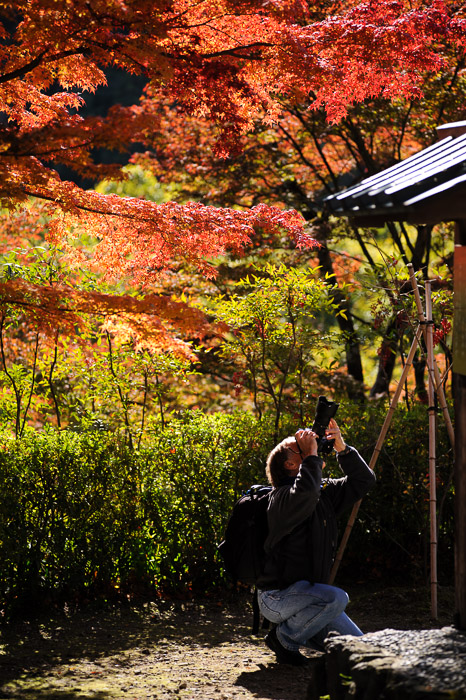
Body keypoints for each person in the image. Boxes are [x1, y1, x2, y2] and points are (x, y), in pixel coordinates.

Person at [256, 419, 376, 665]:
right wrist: (311, 455)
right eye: (300, 447)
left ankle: (303, 633)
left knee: (364, 653)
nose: (311, 445)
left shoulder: (322, 494)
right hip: (278, 599)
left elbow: (364, 481)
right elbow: (305, 494)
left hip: (311, 601)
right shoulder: (280, 500)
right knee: (336, 598)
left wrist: (342, 449)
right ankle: (284, 639)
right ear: (291, 464)